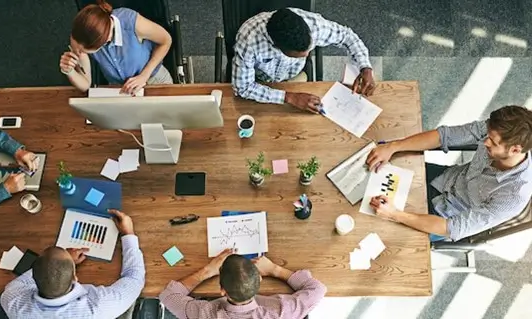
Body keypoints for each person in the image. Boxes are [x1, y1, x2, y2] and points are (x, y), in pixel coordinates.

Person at [366, 105, 532, 242]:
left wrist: (395, 214)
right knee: (373, 171)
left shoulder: (514, 196)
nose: (484, 141)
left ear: (515, 150)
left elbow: (451, 227)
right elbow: (444, 136)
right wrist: (393, 146)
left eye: (492, 142)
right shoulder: (495, 131)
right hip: (445, 179)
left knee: (376, 233)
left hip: (444, 216)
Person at [0, 210, 145, 319]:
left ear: (33, 276)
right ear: (75, 277)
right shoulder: (100, 306)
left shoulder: (12, 301)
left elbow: (23, 281)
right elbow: (134, 278)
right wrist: (128, 233)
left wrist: (57, 264)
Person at [232, 7, 375, 114]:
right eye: (298, 55)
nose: (307, 56)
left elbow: (348, 37)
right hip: (260, 83)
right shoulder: (248, 39)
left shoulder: (314, 25)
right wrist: (289, 97)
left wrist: (365, 67)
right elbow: (243, 87)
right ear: (277, 47)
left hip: (295, 78)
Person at [159, 249, 326, 319]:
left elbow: (168, 296)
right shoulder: (278, 312)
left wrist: (207, 271)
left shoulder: (206, 314)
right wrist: (274, 269)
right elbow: (317, 289)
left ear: (222, 291)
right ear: (259, 280)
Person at [60, 0, 173, 93]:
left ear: (104, 42)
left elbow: (166, 40)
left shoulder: (131, 23)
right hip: (119, 89)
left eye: (82, 51)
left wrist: (144, 76)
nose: (78, 53)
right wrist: (70, 71)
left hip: (153, 78)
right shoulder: (83, 37)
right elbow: (86, 85)